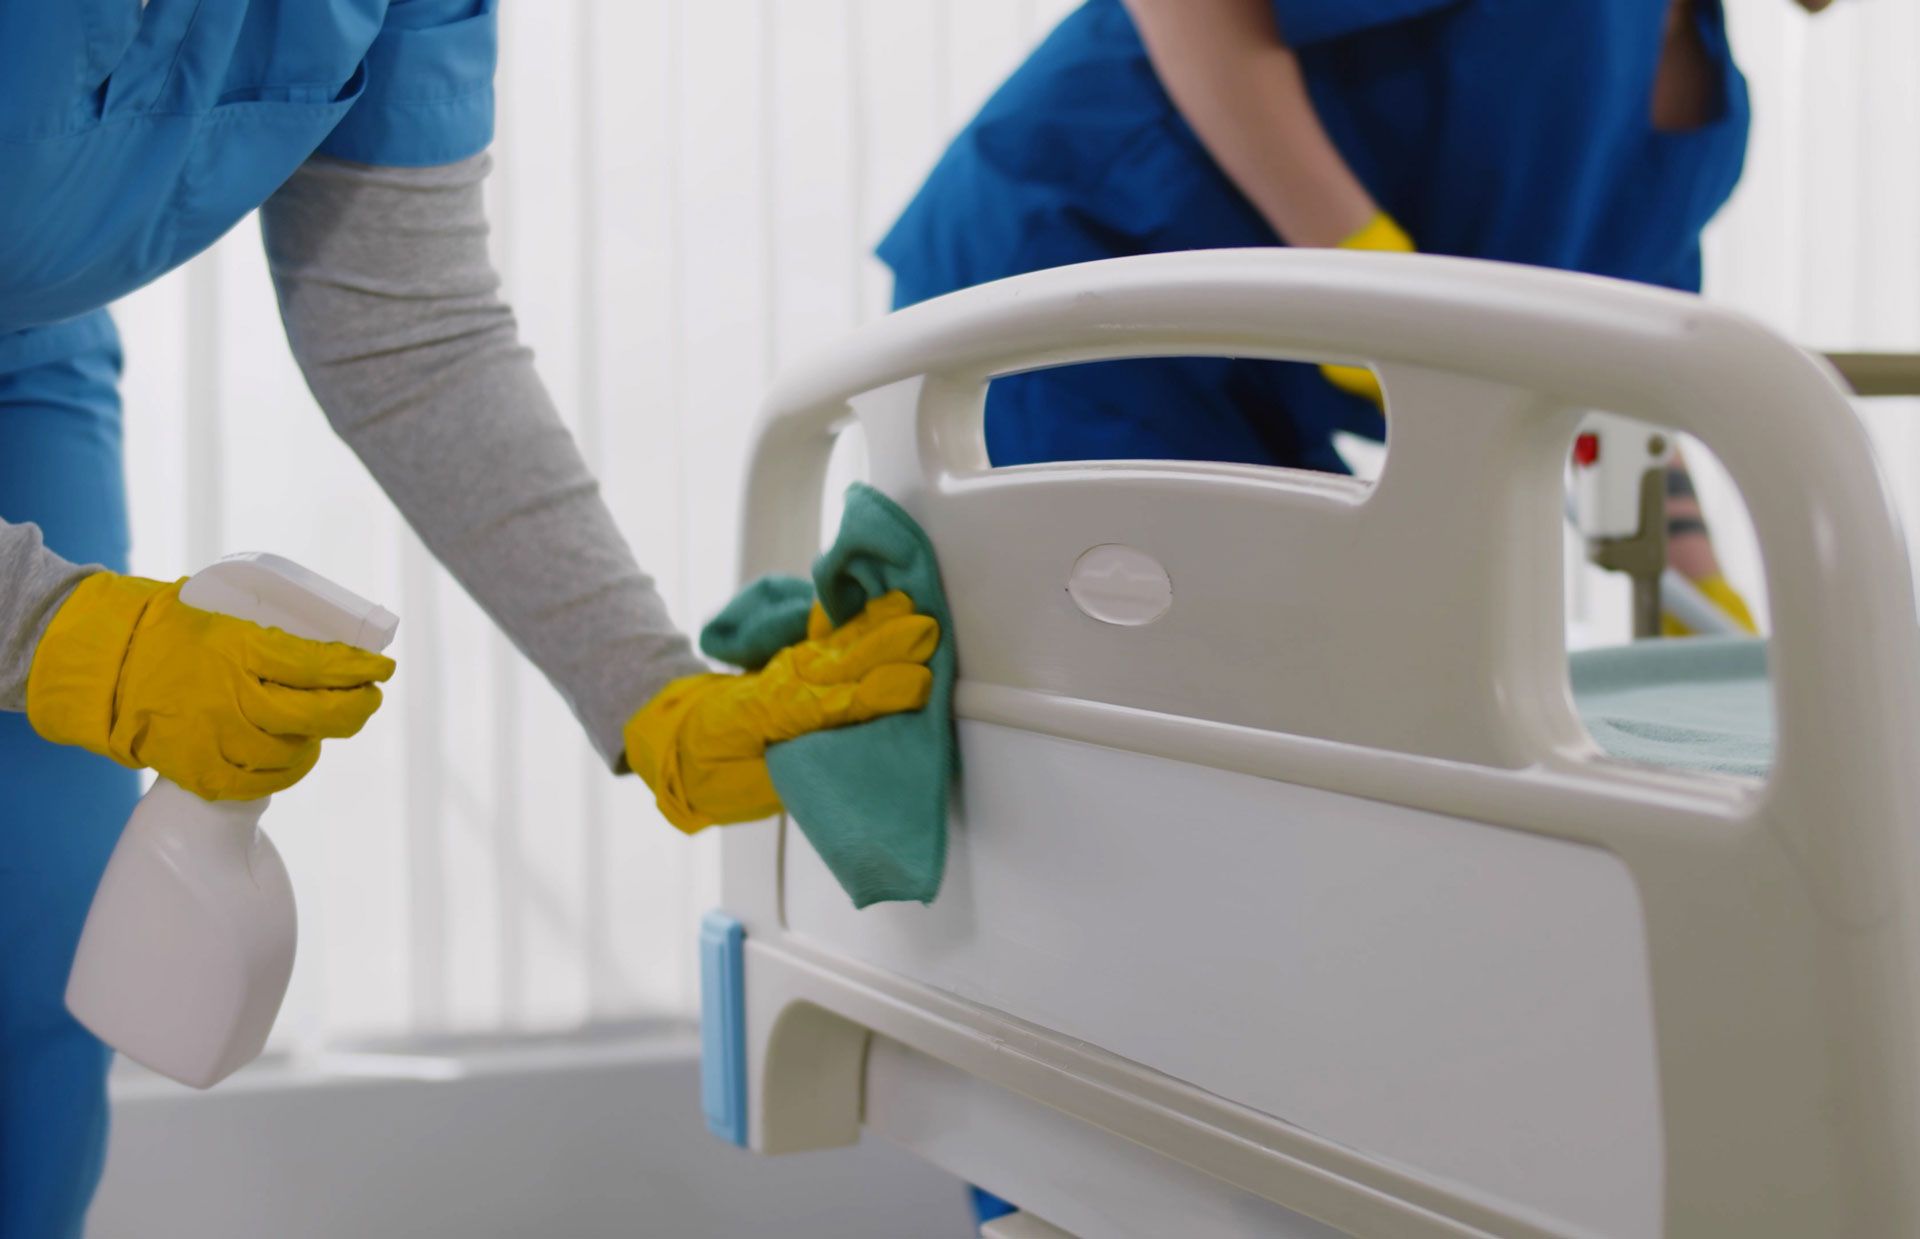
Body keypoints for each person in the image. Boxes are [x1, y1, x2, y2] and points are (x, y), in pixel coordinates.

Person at [0, 3, 937, 1233]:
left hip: (22, 359)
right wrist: (48, 629)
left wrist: (646, 685)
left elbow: (408, 322)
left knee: (36, 971)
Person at [880, 0, 1836, 638]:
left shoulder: (1702, 102)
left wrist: (1699, 596)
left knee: (1325, 714)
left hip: (1259, 367)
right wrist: (1358, 260)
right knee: (1162, 729)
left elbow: (1616, 377)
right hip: (1082, 280)